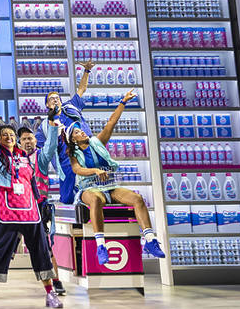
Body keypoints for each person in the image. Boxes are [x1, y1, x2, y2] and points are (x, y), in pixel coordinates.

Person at [0, 86, 61, 309]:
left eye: (12, 135)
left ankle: (50, 294)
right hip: (6, 214)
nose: (9, 137)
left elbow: (33, 181)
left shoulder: (26, 158)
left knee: (42, 253)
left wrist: (52, 122)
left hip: (31, 214)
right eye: (5, 135)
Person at [66, 88, 167, 263]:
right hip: (88, 188)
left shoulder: (97, 142)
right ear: (73, 139)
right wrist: (95, 171)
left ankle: (150, 241)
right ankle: (101, 246)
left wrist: (123, 101)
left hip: (109, 186)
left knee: (137, 199)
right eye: (77, 132)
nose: (81, 132)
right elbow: (77, 170)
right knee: (95, 200)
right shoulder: (73, 154)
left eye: (81, 130)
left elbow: (111, 122)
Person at [37, 61, 96, 206]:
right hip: (66, 160)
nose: (55, 99)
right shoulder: (45, 125)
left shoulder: (71, 106)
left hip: (87, 151)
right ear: (47, 105)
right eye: (51, 98)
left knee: (93, 187)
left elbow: (81, 89)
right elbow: (37, 146)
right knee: (68, 196)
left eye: (57, 97)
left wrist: (87, 71)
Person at [18, 126, 66, 296]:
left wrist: (52, 125)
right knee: (6, 246)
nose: (27, 142)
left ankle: (56, 281)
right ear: (19, 142)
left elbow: (51, 145)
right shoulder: (15, 159)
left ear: (35, 140)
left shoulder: (42, 157)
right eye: (24, 139)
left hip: (38, 208)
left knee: (45, 247)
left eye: (30, 138)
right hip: (18, 208)